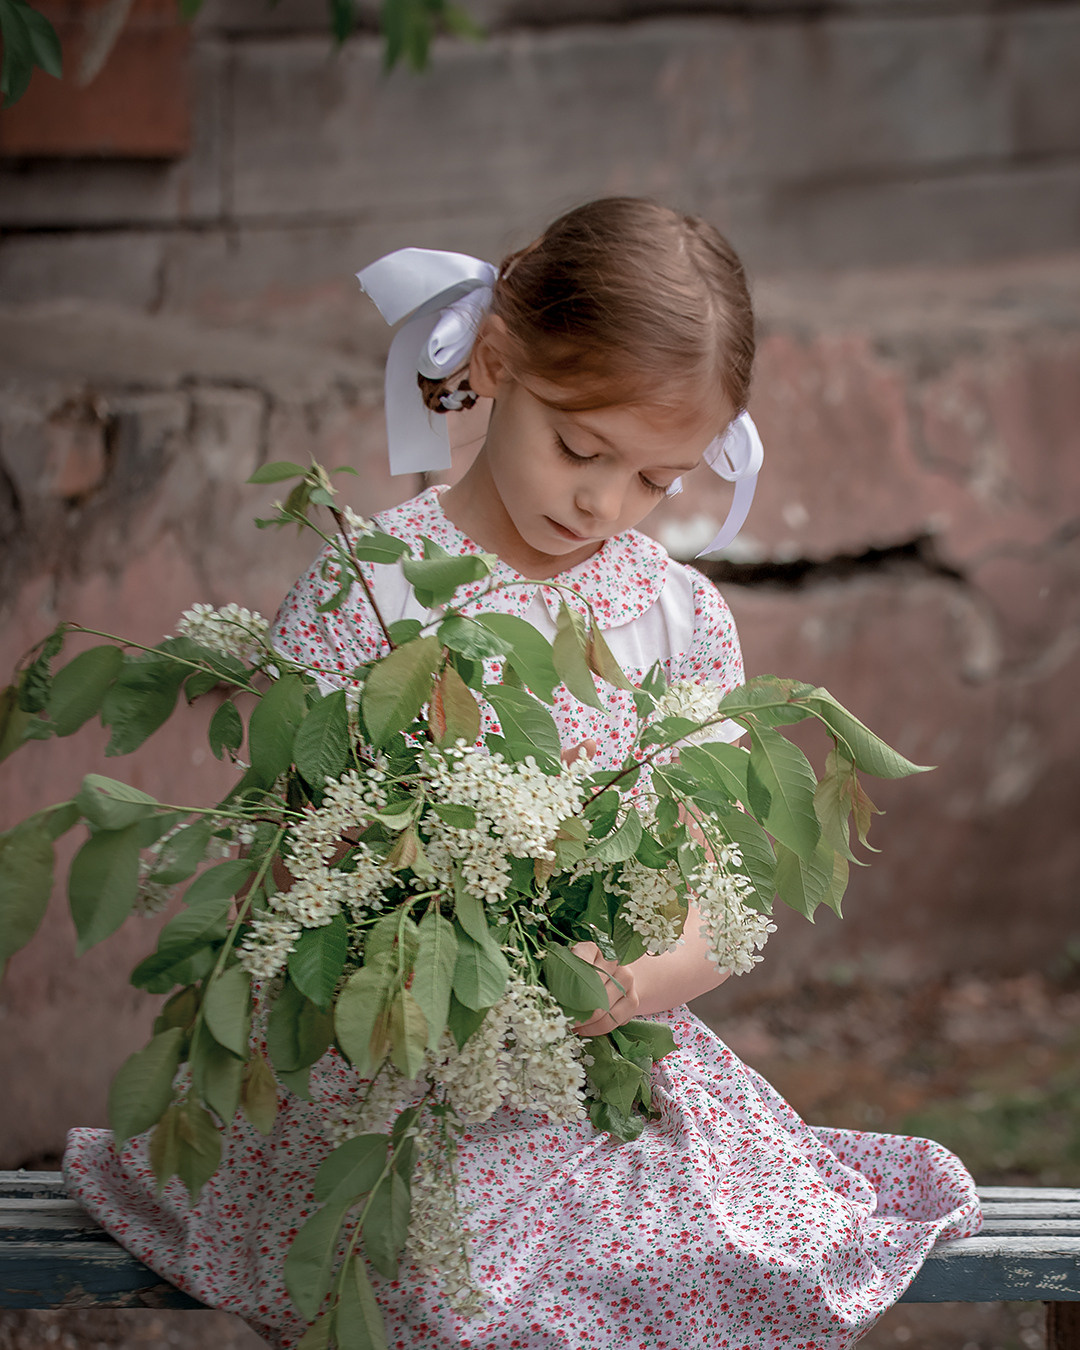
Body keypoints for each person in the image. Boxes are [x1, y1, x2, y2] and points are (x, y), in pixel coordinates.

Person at [64, 198, 980, 1349]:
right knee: (463, 1279)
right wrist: (437, 955)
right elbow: (297, 877)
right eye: (581, 450)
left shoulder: (676, 621)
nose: (604, 503)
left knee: (732, 1249)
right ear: (496, 363)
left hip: (587, 1073)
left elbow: (714, 901)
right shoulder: (372, 594)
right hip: (393, 1075)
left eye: (657, 480)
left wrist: (631, 984)